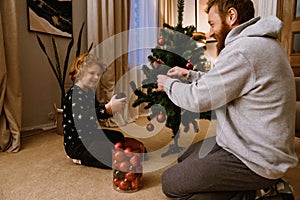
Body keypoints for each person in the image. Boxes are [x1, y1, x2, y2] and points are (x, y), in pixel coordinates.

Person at [157, 0, 299, 199]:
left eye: (212, 24)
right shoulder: (255, 43)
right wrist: (189, 76)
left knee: (171, 183)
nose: (209, 33)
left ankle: (260, 192)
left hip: (257, 159)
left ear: (231, 16)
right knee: (184, 157)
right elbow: (225, 84)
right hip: (242, 141)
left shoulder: (244, 51)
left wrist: (169, 84)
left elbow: (199, 98)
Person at [62, 52, 127, 169]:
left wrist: (112, 110)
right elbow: (83, 117)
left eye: (98, 74)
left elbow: (97, 112)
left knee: (118, 137)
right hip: (78, 144)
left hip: (92, 134)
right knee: (110, 155)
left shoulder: (89, 92)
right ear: (80, 72)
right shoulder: (74, 94)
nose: (97, 77)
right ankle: (80, 158)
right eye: (92, 73)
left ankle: (97, 151)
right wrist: (107, 108)